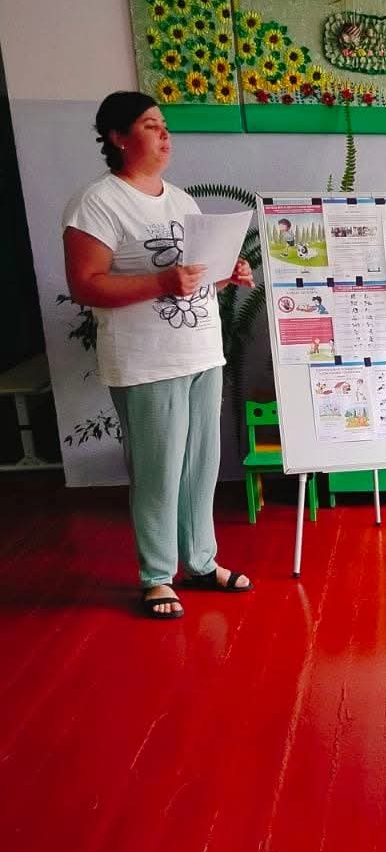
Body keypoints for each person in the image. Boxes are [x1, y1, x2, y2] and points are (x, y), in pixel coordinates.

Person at [62, 91, 255, 620]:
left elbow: (190, 280)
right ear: (118, 137)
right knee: (159, 471)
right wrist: (162, 283)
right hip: (145, 360)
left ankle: (200, 562)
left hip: (201, 353)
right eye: (151, 125)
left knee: (201, 468)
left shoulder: (181, 200)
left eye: (165, 125)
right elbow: (85, 285)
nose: (165, 134)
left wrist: (225, 276)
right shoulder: (97, 202)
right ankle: (156, 576)